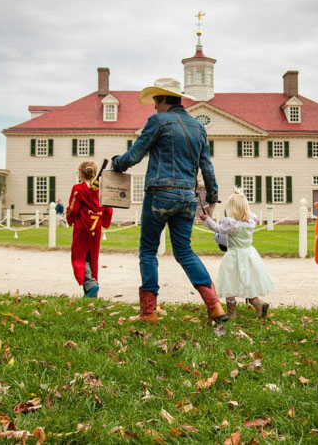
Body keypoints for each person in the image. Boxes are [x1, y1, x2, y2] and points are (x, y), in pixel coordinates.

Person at [112, 77, 228, 325]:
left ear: (164, 99)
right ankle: (215, 306)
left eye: (156, 100)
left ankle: (148, 312)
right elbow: (207, 167)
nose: (154, 106)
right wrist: (213, 200)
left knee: (148, 251)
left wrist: (116, 163)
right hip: (188, 196)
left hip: (159, 193)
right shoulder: (198, 128)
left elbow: (135, 155)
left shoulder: (158, 121)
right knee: (185, 251)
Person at [200, 188, 274, 319]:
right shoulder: (250, 221)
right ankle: (258, 304)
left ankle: (231, 312)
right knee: (247, 282)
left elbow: (217, 229)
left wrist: (207, 219)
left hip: (234, 256)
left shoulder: (231, 224)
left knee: (230, 282)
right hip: (249, 255)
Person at [66, 161, 113, 297]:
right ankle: (90, 291)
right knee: (92, 258)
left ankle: (91, 284)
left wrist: (69, 215)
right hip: (96, 228)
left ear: (81, 174)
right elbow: (108, 209)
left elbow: (73, 209)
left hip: (82, 228)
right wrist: (105, 222)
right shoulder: (100, 191)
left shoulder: (78, 189)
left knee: (79, 258)